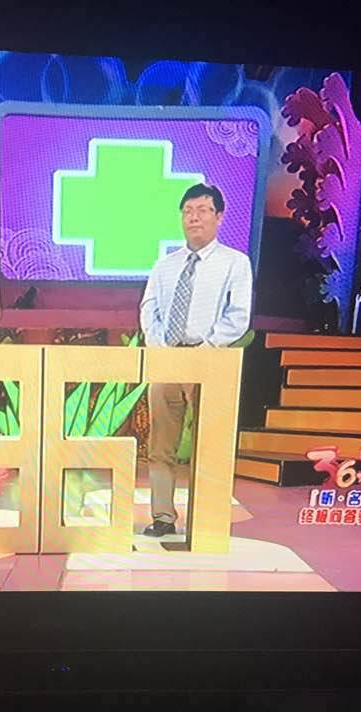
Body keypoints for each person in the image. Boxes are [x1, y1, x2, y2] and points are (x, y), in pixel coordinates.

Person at [138, 183, 252, 537]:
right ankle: (162, 517)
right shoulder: (166, 264)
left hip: (210, 361)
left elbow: (239, 315)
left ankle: (205, 518)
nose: (194, 218)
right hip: (168, 360)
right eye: (188, 211)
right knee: (161, 445)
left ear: (219, 216)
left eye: (202, 210)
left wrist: (207, 348)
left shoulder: (235, 262)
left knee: (208, 442)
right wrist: (160, 346)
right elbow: (149, 308)